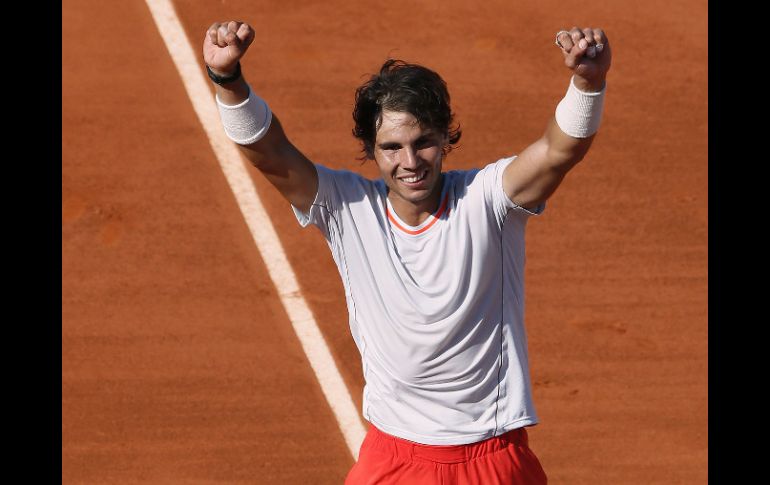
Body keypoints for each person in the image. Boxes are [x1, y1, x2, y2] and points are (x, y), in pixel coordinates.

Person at [203, 20, 611, 485]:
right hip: (394, 459)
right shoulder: (346, 207)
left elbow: (559, 151)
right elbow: (270, 154)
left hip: (491, 457)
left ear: (445, 138)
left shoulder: (489, 200)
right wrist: (228, 81)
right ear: (371, 150)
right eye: (392, 147)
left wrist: (587, 83)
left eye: (423, 143)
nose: (410, 162)